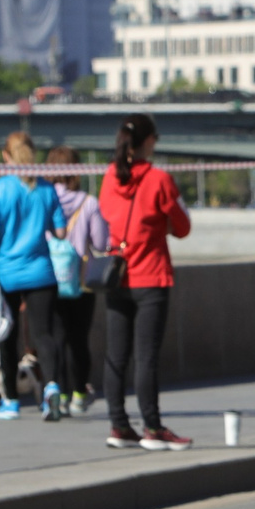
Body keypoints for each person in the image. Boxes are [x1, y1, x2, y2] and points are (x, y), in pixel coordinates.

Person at [99, 114, 195, 448]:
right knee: (146, 357)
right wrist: (160, 227)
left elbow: (105, 219)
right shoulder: (159, 179)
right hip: (150, 277)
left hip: (115, 277)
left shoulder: (109, 176)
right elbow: (183, 227)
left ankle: (119, 426)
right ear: (149, 141)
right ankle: (153, 428)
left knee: (116, 355)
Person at [0, 132, 68, 421]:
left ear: (6, 156)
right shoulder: (46, 189)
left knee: (8, 337)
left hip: (6, 275)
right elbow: (61, 233)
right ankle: (52, 387)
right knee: (44, 334)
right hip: (41, 272)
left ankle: (11, 402)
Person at [44, 145, 107, 419]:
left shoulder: (43, 200)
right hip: (81, 282)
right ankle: (80, 395)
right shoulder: (89, 202)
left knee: (55, 338)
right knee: (79, 339)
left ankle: (60, 393)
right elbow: (102, 242)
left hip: (49, 279)